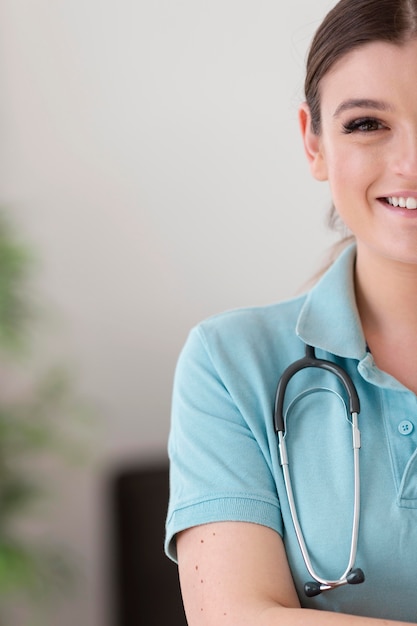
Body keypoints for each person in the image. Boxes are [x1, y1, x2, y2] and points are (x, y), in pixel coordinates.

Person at [165, 0, 417, 622]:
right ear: (314, 142)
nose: (411, 163)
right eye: (366, 124)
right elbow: (234, 615)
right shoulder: (230, 363)